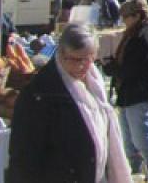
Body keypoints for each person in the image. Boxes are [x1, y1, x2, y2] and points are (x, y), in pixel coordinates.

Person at [8, 23, 133, 182]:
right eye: (75, 59)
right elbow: (23, 159)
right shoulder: (37, 95)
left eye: (89, 58)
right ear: (60, 53)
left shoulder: (95, 83)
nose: (83, 65)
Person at [114, 0, 148, 183]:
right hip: (129, 92)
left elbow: (134, 67)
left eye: (126, 16)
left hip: (138, 92)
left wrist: (114, 68)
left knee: (142, 140)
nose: (124, 20)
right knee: (129, 142)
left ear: (137, 16)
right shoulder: (136, 33)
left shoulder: (143, 35)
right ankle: (135, 175)